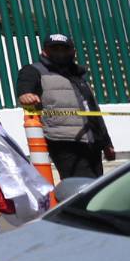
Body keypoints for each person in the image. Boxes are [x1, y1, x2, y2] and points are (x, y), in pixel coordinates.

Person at [17, 34, 116, 179]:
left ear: (73, 51)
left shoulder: (78, 75)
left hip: (92, 141)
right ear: (44, 51)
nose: (60, 53)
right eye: (54, 48)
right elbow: (25, 86)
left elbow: (93, 110)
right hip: (64, 141)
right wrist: (25, 94)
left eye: (65, 49)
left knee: (97, 186)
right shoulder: (34, 71)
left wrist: (106, 142)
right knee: (82, 187)